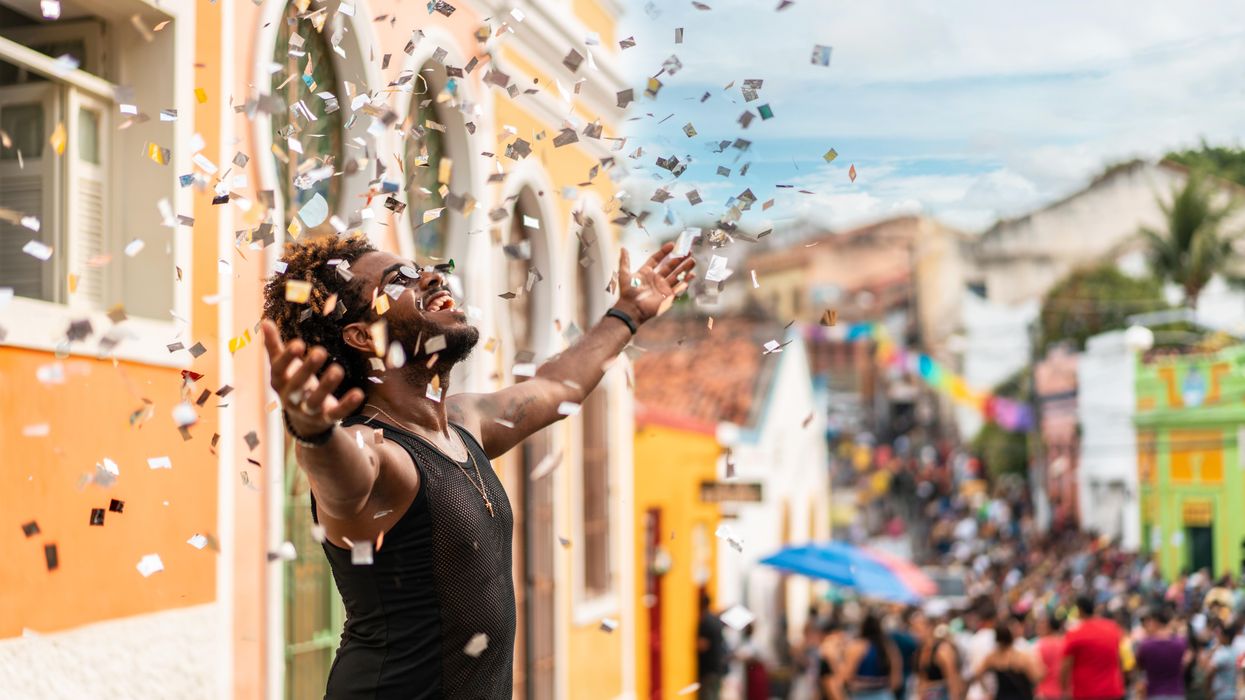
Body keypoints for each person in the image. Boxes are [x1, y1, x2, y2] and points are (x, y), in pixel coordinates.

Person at [262, 235, 693, 698]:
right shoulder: (376, 448)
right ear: (364, 336)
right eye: (399, 279)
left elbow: (557, 387)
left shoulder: (467, 423)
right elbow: (342, 479)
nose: (431, 276)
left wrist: (628, 312)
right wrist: (312, 432)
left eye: (421, 266)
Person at [1061, 595, 1125, 700]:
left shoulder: (1075, 633)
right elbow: (1119, 658)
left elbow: (1065, 666)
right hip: (1112, 691)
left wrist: (1064, 691)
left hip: (1086, 693)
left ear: (1079, 610)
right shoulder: (1112, 628)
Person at [843, 611, 903, 700]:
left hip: (860, 695)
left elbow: (846, 676)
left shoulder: (858, 646)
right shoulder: (889, 646)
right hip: (884, 695)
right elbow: (896, 680)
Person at [974, 625, 1042, 700]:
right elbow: (1036, 677)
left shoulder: (993, 657)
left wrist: (987, 691)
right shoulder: (1021, 657)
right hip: (1022, 696)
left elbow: (977, 673)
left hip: (1002, 696)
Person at [1135, 607, 1187, 700]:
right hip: (1176, 694)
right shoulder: (1180, 643)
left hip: (1154, 694)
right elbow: (1183, 665)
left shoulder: (1146, 645)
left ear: (1155, 622)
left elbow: (1139, 666)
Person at [912, 609, 964, 700]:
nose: (915, 633)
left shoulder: (942, 649)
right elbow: (922, 678)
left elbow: (953, 679)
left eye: (918, 629)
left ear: (930, 627)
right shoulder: (919, 651)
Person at [698, 591, 729, 700]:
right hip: (717, 667)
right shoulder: (714, 620)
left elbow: (703, 645)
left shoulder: (705, 622)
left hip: (708, 669)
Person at [1032, 614, 1065, 700]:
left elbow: (1037, 673)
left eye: (1042, 624)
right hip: (1062, 693)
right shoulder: (1065, 643)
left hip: (1044, 693)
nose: (1038, 626)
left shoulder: (1040, 644)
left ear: (1050, 627)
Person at [736, 624, 771, 700]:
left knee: (757, 693)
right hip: (750, 670)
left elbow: (760, 656)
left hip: (756, 670)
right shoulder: (745, 641)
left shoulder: (755, 641)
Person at [1204, 623, 1238, 700]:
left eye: (1221, 635)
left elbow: (1210, 672)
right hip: (1232, 693)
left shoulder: (1221, 653)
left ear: (1226, 637)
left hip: (1220, 693)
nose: (1219, 637)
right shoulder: (1236, 652)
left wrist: (1207, 690)